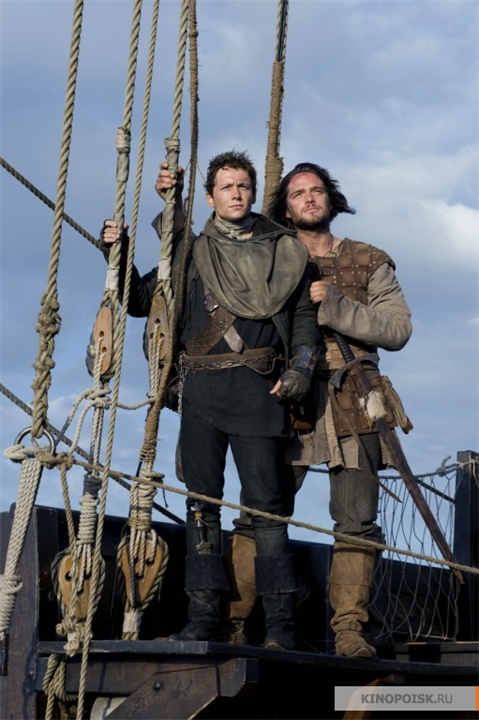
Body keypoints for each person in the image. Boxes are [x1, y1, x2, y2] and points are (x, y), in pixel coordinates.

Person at [101, 151, 321, 650]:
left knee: (267, 511)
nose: (236, 194)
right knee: (202, 507)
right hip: (200, 394)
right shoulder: (189, 255)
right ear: (209, 198)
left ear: (251, 192)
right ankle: (203, 618)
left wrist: (301, 370)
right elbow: (139, 302)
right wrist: (117, 248)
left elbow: (304, 322)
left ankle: (281, 628)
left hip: (260, 393)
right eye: (226, 187)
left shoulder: (285, 254)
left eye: (243, 185)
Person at [264, 162, 413, 658]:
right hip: (286, 397)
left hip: (354, 399)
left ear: (331, 199)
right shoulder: (268, 257)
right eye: (298, 193)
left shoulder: (369, 259)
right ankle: (239, 622)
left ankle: (349, 631)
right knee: (261, 510)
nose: (309, 198)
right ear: (286, 208)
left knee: (356, 520)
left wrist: (335, 305)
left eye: (317, 190)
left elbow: (397, 329)